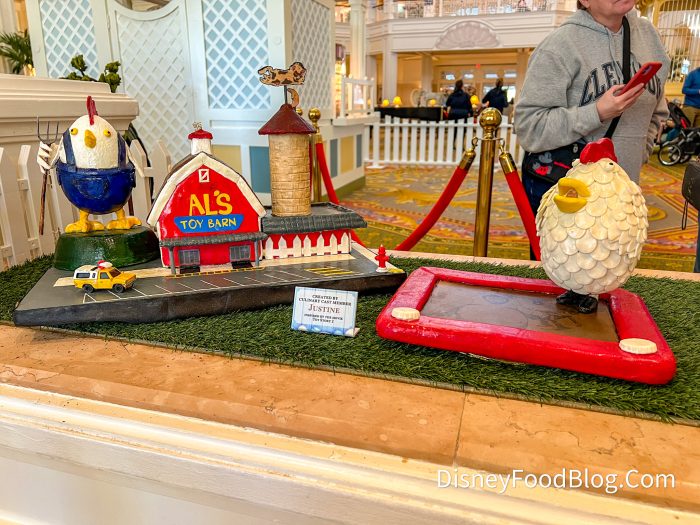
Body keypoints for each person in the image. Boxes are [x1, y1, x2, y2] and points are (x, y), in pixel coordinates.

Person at [514, 0, 670, 220]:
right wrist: (597, 112)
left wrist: (639, 152)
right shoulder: (559, 45)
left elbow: (658, 109)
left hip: (624, 191)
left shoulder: (648, 36)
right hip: (568, 192)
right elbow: (530, 127)